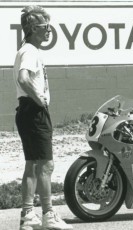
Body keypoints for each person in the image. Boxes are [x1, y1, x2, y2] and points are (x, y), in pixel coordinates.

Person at [13, 5, 73, 230]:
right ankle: (48, 214)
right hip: (34, 112)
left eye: (49, 26)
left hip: (26, 112)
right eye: (44, 27)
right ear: (31, 29)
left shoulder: (26, 49)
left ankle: (28, 215)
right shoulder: (30, 51)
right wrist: (40, 99)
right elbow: (23, 78)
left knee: (32, 166)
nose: (49, 30)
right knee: (46, 166)